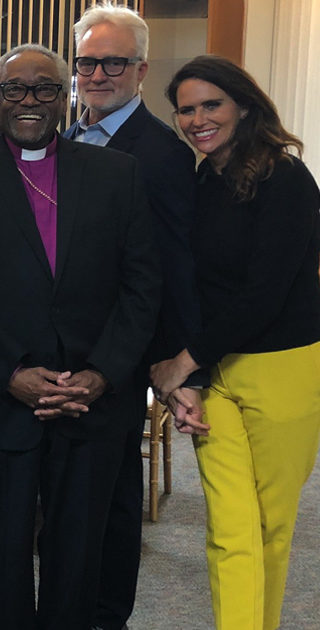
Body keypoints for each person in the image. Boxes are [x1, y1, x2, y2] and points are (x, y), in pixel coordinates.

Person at [0, 44, 160, 628]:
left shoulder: (117, 174)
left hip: (91, 404)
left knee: (78, 555)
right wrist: (10, 374)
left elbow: (143, 286)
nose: (31, 101)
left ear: (66, 96)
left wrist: (102, 373)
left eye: (46, 88)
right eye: (15, 90)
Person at [152, 55, 320, 630]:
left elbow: (264, 295)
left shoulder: (286, 178)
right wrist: (191, 378)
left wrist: (182, 364)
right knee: (230, 527)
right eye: (186, 109)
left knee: (272, 528)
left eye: (211, 104)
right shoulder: (200, 180)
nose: (197, 119)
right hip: (214, 370)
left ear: (243, 105)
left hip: (283, 368)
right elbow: (187, 283)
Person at [64, 5, 203, 629]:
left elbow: (172, 269)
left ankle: (105, 615)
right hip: (62, 350)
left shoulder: (162, 155)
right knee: (72, 496)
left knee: (115, 497)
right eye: (87, 61)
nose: (97, 73)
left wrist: (173, 367)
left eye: (112, 61)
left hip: (119, 356)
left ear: (141, 69)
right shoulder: (65, 138)